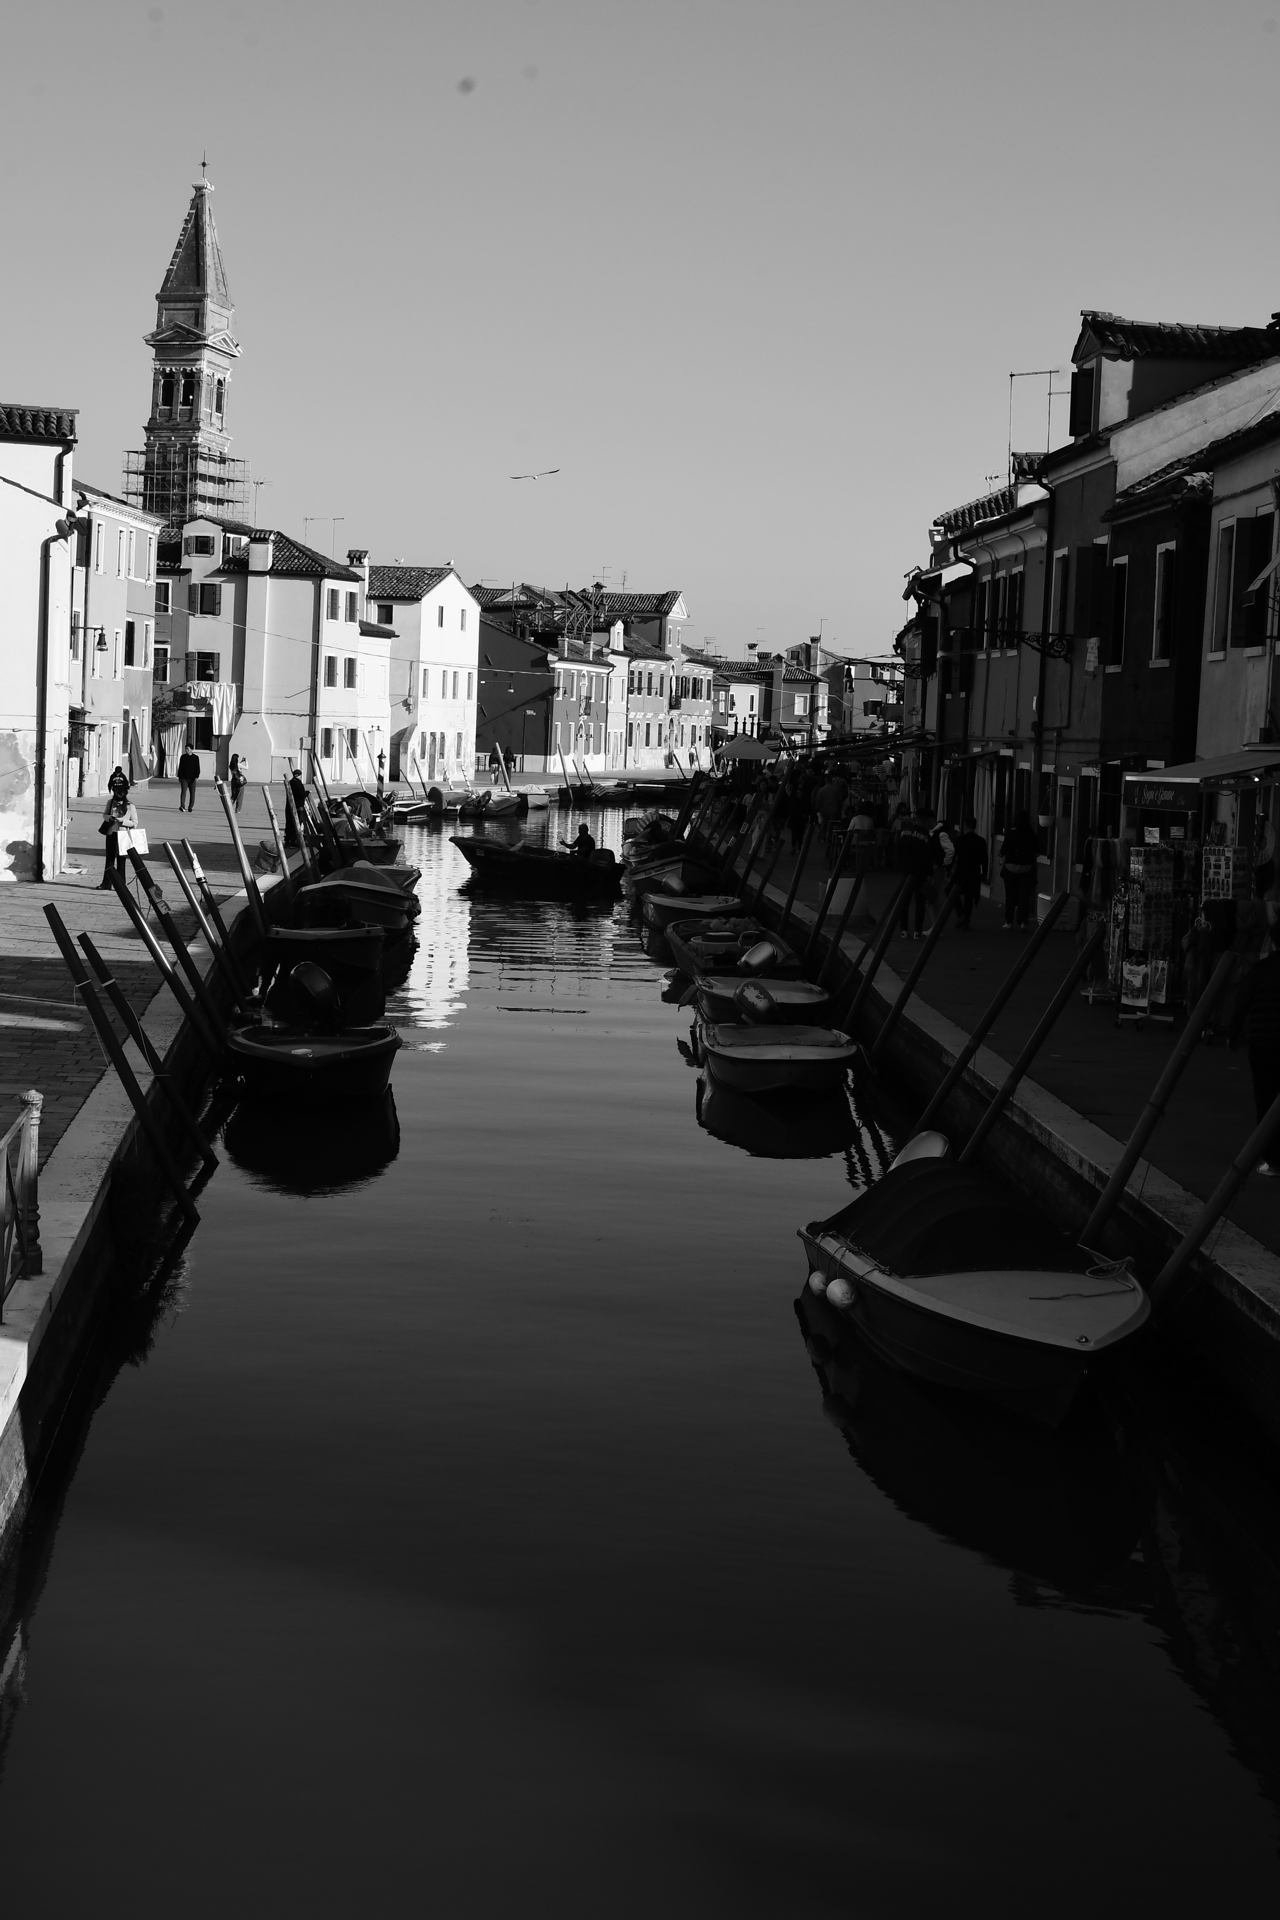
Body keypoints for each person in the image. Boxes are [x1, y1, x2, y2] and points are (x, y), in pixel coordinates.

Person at [1244, 898, 1280, 1174]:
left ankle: (1270, 1156)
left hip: (1261, 1042)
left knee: (1264, 1098)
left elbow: (1244, 1002)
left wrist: (1234, 1033)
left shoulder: (1260, 969)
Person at [895, 808, 937, 938]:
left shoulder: (904, 832)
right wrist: (929, 874)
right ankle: (917, 931)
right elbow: (929, 856)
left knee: (904, 902)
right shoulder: (926, 836)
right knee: (920, 902)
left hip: (906, 871)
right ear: (926, 820)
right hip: (920, 873)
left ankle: (903, 930)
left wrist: (900, 866)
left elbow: (897, 849)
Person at [999, 811, 1039, 930]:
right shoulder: (1031, 834)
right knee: (1024, 897)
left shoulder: (1011, 833)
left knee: (1010, 896)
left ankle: (1009, 922)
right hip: (1026, 869)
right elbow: (1036, 851)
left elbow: (1003, 850)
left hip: (1010, 869)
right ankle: (1023, 922)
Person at [97, 777, 138, 888]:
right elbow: (104, 815)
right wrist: (109, 818)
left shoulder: (130, 806)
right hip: (111, 833)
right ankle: (106, 883)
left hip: (123, 835)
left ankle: (120, 885)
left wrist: (123, 821)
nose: (118, 794)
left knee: (121, 860)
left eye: (120, 792)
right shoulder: (110, 803)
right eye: (116, 792)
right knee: (109, 859)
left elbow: (135, 823)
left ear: (124, 793)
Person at [953, 815, 988, 929]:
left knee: (953, 893)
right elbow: (985, 859)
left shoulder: (960, 840)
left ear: (965, 826)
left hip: (962, 871)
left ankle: (961, 914)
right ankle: (966, 918)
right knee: (969, 896)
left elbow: (955, 856)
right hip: (974, 871)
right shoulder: (981, 841)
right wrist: (984, 873)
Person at [177, 746, 201, 813]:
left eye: (187, 749)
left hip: (192, 779)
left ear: (191, 750)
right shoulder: (183, 757)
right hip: (184, 778)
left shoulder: (196, 758)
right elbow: (180, 767)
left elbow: (197, 768)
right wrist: (179, 777)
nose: (186, 750)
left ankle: (190, 807)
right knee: (183, 792)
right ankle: (182, 806)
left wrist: (197, 777)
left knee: (192, 793)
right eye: (185, 749)